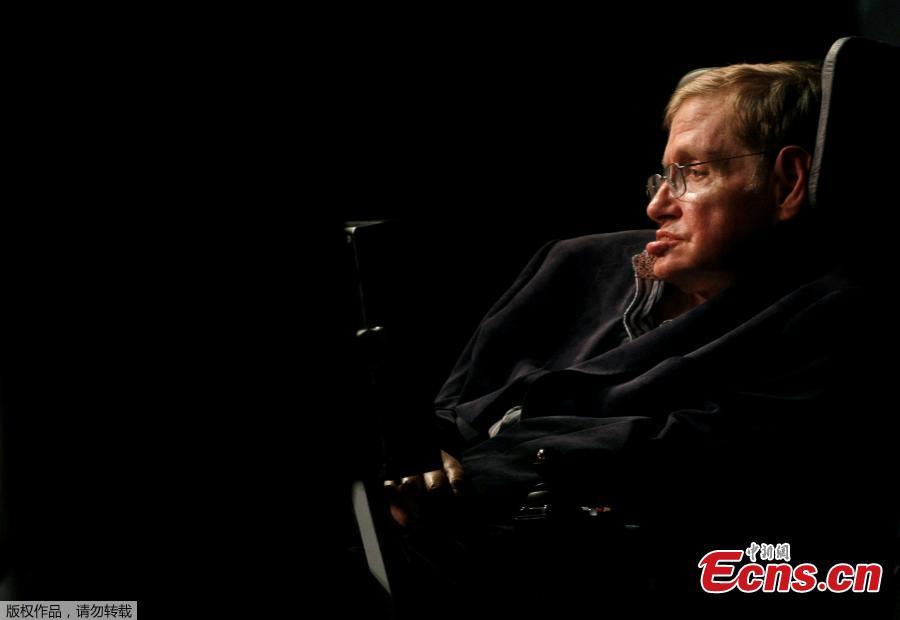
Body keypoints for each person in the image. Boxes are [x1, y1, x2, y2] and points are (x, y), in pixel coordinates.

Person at [383, 60, 896, 617]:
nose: (657, 206)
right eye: (663, 176)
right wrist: (418, 457)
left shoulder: (832, 315)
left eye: (693, 172)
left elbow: (678, 457)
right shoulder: (576, 263)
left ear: (787, 181)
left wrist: (461, 482)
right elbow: (447, 412)